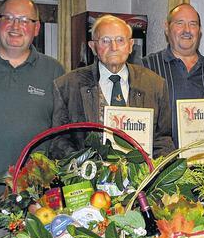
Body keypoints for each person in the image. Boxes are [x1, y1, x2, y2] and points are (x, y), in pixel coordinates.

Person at [0, 0, 64, 238]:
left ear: (36, 28)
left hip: (34, 207)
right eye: (8, 17)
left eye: (24, 20)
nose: (15, 25)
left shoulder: (54, 71)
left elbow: (61, 136)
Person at [51, 15, 174, 159]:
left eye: (120, 40)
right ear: (93, 47)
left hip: (142, 176)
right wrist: (86, 167)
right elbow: (59, 141)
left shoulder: (155, 85)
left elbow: (163, 139)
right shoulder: (67, 86)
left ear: (130, 45)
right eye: (105, 41)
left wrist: (154, 171)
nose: (114, 47)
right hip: (89, 177)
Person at [139, 3, 204, 147]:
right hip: (162, 164)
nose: (187, 30)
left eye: (193, 24)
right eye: (180, 23)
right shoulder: (147, 67)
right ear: (167, 28)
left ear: (199, 30)